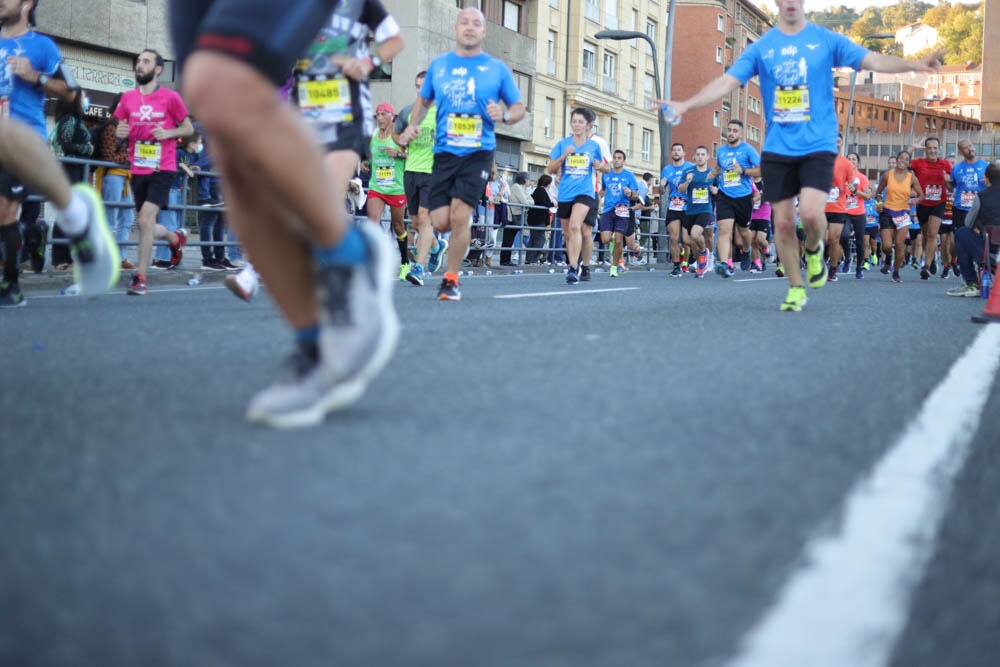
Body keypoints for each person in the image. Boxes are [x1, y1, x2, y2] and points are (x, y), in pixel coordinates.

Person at [169, 0, 404, 427]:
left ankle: (350, 259)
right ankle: (317, 348)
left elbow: (394, 39)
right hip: (304, 113)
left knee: (221, 80)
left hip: (346, 114)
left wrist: (365, 61)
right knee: (225, 128)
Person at [656, 0, 942, 311]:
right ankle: (795, 287)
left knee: (808, 213)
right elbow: (727, 81)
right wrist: (686, 104)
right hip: (778, 148)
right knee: (783, 222)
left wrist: (915, 64)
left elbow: (871, 59)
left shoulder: (825, 39)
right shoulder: (763, 47)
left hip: (817, 146)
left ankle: (815, 247)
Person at [398, 7, 525, 301]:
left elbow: (519, 107)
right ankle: (442, 244)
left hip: (478, 152)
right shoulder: (439, 66)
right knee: (438, 221)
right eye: (465, 22)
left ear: (483, 31)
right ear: (456, 28)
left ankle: (451, 279)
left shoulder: (496, 69)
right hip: (443, 153)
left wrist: (504, 116)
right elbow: (424, 100)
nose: (470, 27)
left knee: (460, 217)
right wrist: (412, 126)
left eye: (476, 24)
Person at [0, 0, 117, 308]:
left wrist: (35, 77)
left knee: (4, 212)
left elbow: (76, 94)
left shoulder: (42, 47)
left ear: (27, 4)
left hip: (24, 140)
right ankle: (31, 233)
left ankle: (10, 285)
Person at [114, 49, 194, 295]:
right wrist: (120, 133)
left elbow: (188, 128)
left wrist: (169, 133)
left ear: (158, 69)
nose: (140, 65)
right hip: (138, 168)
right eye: (138, 61)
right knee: (146, 223)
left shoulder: (170, 98)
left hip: (163, 167)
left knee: (145, 219)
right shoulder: (127, 98)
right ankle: (174, 238)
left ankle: (141, 277)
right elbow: (120, 128)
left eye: (146, 61)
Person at [546, 107, 608, 285]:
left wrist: (599, 166)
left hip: (585, 192)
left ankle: (575, 268)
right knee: (567, 233)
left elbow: (607, 167)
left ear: (588, 125)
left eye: (581, 122)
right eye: (574, 121)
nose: (577, 125)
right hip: (566, 192)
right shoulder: (562, 144)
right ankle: (576, 263)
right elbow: (550, 169)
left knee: (576, 227)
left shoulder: (594, 146)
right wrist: (565, 155)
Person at [397, 70, 447, 286]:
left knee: (426, 220)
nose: (421, 91)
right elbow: (397, 136)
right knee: (417, 222)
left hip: (434, 174)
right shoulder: (408, 112)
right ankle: (436, 246)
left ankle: (419, 267)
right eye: (418, 86)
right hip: (411, 171)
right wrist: (404, 139)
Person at [49, 89, 94, 270]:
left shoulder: (74, 119)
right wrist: (86, 148)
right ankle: (61, 259)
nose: (86, 99)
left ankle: (66, 258)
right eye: (83, 96)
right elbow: (65, 143)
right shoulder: (69, 119)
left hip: (75, 171)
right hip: (70, 171)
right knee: (66, 214)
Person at [91, 92, 135, 269]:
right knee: (111, 218)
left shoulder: (127, 127)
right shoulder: (111, 126)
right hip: (113, 175)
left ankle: (119, 257)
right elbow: (109, 156)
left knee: (127, 217)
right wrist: (130, 157)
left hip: (123, 176)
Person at [366, 102, 410, 279]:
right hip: (377, 186)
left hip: (396, 187)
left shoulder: (398, 136)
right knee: (373, 223)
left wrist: (397, 154)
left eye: (384, 114)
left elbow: (412, 155)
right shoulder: (374, 135)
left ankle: (405, 263)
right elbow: (370, 155)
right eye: (377, 114)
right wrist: (365, 162)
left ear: (392, 117)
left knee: (398, 226)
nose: (380, 118)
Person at [713, 120, 761, 277]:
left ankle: (746, 250)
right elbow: (718, 168)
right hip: (725, 195)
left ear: (741, 133)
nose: (731, 133)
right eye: (729, 130)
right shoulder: (721, 151)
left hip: (743, 197)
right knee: (724, 230)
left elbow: (761, 170)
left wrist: (744, 171)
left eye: (735, 130)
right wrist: (709, 177)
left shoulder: (748, 150)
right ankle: (723, 263)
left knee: (744, 231)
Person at [947, 161, 1000, 297]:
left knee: (961, 233)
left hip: (991, 254)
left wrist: (979, 225)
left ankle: (972, 283)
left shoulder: (982, 196)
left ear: (987, 178)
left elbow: (968, 222)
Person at [875, 150, 923, 283]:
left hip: (903, 213)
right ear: (897, 160)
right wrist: (879, 203)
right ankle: (888, 257)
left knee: (900, 244)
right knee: (887, 246)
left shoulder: (912, 178)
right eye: (901, 158)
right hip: (887, 211)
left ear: (909, 163)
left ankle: (896, 272)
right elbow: (878, 193)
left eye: (906, 159)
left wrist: (915, 200)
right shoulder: (887, 175)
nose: (903, 161)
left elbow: (922, 195)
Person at [910, 136, 951, 279]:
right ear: (925, 149)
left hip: (939, 203)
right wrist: (912, 148)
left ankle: (926, 266)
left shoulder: (945, 164)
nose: (933, 151)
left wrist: (948, 181)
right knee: (926, 235)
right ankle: (931, 258)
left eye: (935, 148)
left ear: (939, 149)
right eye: (930, 148)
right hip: (922, 204)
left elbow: (952, 185)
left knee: (933, 234)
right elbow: (901, 163)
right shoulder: (918, 162)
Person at [598, 149, 639, 278]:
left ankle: (614, 266)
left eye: (619, 158)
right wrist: (597, 197)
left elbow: (636, 196)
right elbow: (603, 190)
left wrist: (630, 194)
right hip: (608, 210)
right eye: (615, 157)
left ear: (624, 161)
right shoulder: (606, 174)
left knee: (619, 239)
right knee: (605, 239)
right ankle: (616, 247)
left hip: (622, 210)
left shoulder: (629, 176)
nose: (616, 160)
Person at [678, 145, 717, 278]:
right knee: (691, 241)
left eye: (702, 154)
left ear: (707, 157)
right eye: (698, 154)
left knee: (696, 234)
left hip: (705, 209)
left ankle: (703, 256)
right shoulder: (689, 171)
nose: (700, 157)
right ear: (694, 157)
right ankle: (701, 258)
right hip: (691, 210)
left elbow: (720, 189)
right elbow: (680, 189)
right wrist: (688, 182)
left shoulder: (712, 173)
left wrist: (716, 191)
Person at [823, 134, 853, 282]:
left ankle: (833, 268)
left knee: (834, 239)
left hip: (838, 206)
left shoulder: (846, 163)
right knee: (821, 239)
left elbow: (853, 181)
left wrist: (853, 186)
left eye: (838, 142)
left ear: (841, 144)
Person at [660, 142, 693, 277]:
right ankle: (676, 266)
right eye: (673, 150)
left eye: (679, 150)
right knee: (673, 238)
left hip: (688, 206)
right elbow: (662, 191)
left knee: (686, 240)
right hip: (673, 206)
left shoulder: (690, 167)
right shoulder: (667, 169)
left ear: (684, 153)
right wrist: (662, 186)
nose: (676, 152)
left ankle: (693, 255)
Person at [844, 151, 873, 279]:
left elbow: (868, 196)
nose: (851, 161)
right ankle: (847, 258)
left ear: (858, 162)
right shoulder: (842, 177)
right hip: (844, 213)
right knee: (843, 235)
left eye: (854, 159)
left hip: (859, 213)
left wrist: (856, 191)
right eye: (849, 159)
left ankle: (859, 267)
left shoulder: (862, 177)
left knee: (861, 242)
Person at [501, 171, 531, 266]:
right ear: (524, 180)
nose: (529, 181)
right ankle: (505, 260)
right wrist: (528, 203)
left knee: (509, 239)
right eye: (528, 179)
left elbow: (531, 201)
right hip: (512, 216)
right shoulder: (517, 187)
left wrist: (528, 202)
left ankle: (505, 260)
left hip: (515, 216)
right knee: (508, 240)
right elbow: (526, 203)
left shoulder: (521, 188)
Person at [526, 174, 554, 264]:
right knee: (540, 240)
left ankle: (529, 259)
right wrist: (553, 204)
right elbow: (544, 203)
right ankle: (533, 259)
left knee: (533, 239)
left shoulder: (538, 190)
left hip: (534, 219)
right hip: (538, 219)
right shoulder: (541, 190)